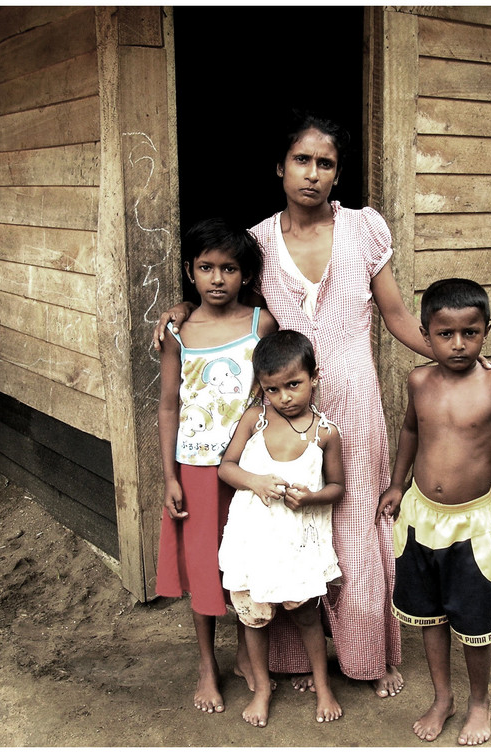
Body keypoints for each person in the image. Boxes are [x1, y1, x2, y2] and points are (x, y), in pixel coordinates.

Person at [155, 110, 491, 697]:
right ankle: (293, 662)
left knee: (357, 527)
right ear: (281, 167)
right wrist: (180, 310)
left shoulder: (364, 228)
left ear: (337, 173)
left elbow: (395, 316)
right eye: (302, 161)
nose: (313, 174)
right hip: (282, 412)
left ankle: (367, 658)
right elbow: (231, 305)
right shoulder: (258, 241)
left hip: (356, 409)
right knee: (288, 521)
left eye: (326, 163)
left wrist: (453, 357)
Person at [376, 278, 491, 746]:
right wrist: (396, 486)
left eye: (471, 332)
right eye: (445, 334)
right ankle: (443, 698)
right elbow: (408, 433)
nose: (459, 344)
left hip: (472, 524)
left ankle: (479, 701)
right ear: (426, 334)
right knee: (429, 614)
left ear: (486, 332)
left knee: (474, 620)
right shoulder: (418, 380)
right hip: (420, 517)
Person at [155, 218, 278, 715]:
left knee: (247, 563)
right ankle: (208, 664)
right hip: (196, 471)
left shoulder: (259, 324)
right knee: (204, 566)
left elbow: (272, 390)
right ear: (190, 271)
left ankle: (251, 658)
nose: (217, 278)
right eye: (205, 267)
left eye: (229, 268)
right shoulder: (178, 331)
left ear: (245, 275)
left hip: (247, 469)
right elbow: (167, 406)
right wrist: (168, 477)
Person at [217, 330, 346, 727]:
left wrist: (310, 498)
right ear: (262, 388)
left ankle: (323, 686)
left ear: (314, 377)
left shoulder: (325, 433)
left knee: (307, 616)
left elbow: (338, 489)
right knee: (254, 616)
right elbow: (227, 467)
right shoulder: (255, 420)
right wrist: (255, 481)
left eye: (294, 385)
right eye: (273, 389)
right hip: (254, 541)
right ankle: (261, 687)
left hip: (296, 546)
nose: (285, 397)